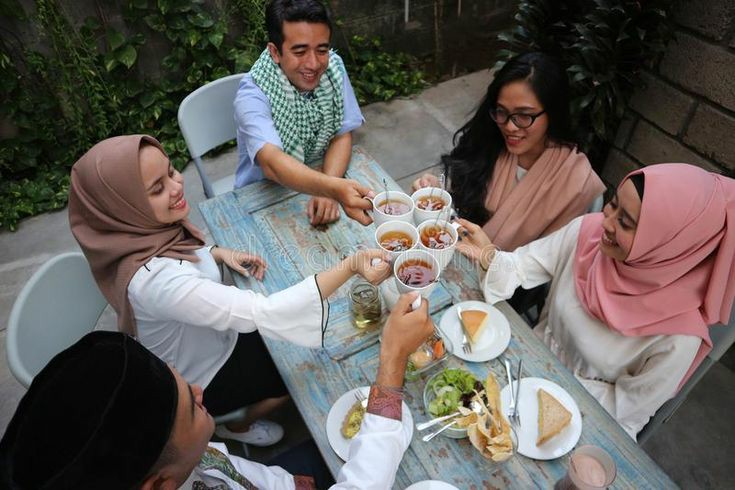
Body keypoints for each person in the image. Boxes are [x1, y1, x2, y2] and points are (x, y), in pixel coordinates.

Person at [67, 134, 391, 447]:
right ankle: (235, 425)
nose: (177, 186)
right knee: (295, 373)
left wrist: (217, 254)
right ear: (125, 208)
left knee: (298, 338)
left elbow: (184, 264)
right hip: (200, 377)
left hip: (214, 337)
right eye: (157, 188)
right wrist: (352, 264)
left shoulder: (143, 237)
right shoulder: (154, 281)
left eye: (171, 171)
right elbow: (266, 311)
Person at [0, 293, 434, 489]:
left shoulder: (173, 464)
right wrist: (391, 362)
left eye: (182, 381)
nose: (200, 390)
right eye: (191, 406)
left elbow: (245, 475)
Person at [454, 163, 735, 439]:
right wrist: (490, 255)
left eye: (625, 222)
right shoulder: (586, 234)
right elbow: (522, 266)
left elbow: (625, 410)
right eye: (612, 205)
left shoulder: (679, 337)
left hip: (577, 421)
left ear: (670, 245)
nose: (606, 222)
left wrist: (545, 388)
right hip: (521, 367)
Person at [413, 52, 605, 252]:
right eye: (502, 111)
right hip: (449, 254)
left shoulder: (575, 181)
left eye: (524, 115)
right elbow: (459, 201)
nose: (510, 127)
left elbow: (550, 263)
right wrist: (437, 192)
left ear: (552, 113)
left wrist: (489, 258)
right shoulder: (490, 139)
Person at [234, 0, 371, 227]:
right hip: (264, 197)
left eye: (322, 49)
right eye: (300, 51)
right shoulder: (252, 95)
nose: (314, 64)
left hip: (324, 178)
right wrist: (332, 188)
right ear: (275, 52)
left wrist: (329, 187)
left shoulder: (334, 68)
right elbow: (272, 164)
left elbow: (342, 134)